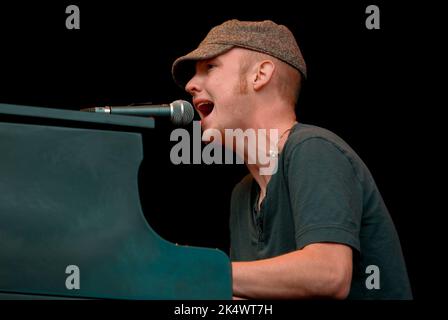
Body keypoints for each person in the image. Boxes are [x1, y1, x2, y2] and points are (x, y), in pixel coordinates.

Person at [171, 19, 412, 299]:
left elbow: (328, 274)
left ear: (260, 75)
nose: (190, 85)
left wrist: (204, 273)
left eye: (209, 68)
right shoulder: (242, 195)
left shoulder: (313, 149)